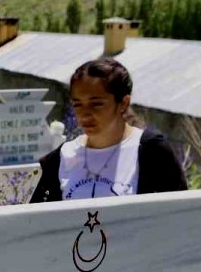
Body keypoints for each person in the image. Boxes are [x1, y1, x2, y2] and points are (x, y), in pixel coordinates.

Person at [30, 57, 187, 202]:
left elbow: (181, 217)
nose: (85, 115)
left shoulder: (152, 151)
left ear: (123, 103)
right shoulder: (60, 159)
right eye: (77, 104)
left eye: (96, 104)